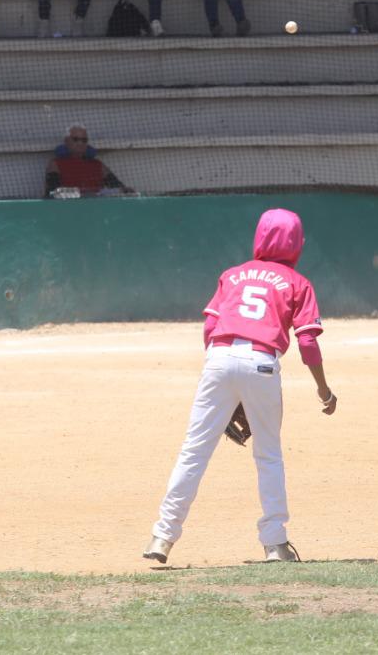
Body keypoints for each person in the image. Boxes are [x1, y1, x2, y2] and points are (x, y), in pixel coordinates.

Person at [143, 208, 336, 566]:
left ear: (259, 237)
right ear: (298, 244)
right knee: (268, 456)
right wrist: (324, 390)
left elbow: (209, 329)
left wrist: (225, 385)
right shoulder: (298, 282)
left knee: (194, 452)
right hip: (261, 364)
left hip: (217, 359)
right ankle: (275, 545)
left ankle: (162, 536)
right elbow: (308, 343)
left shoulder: (232, 275)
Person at [44, 126, 132, 196]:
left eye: (84, 140)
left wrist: (125, 190)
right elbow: (52, 192)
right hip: (69, 206)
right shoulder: (56, 164)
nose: (80, 143)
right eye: (75, 139)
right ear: (67, 141)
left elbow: (117, 186)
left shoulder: (97, 165)